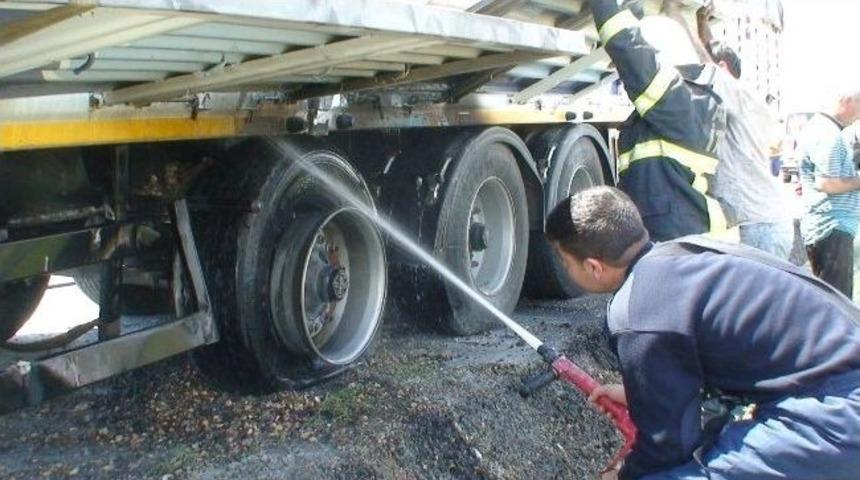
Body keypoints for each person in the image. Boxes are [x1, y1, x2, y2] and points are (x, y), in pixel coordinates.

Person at [545, 186, 860, 480]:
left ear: (593, 267)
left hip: (835, 412)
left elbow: (667, 446)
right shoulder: (684, 258)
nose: (564, 270)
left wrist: (625, 474)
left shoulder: (636, 311)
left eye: (564, 261)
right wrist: (644, 395)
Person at [662, 2, 795, 260]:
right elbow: (712, 59)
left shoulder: (736, 95)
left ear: (722, 69)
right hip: (764, 221)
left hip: (758, 227)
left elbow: (706, 64)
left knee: (751, 299)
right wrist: (702, 23)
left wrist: (675, 15)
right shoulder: (743, 97)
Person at [585, 0, 725, 241]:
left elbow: (629, 51)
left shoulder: (679, 102)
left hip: (682, 241)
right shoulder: (693, 101)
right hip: (689, 234)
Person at [798, 90, 860, 297]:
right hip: (832, 228)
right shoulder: (828, 134)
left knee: (828, 299)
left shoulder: (818, 128)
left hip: (827, 228)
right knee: (837, 303)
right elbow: (827, 183)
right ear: (847, 100)